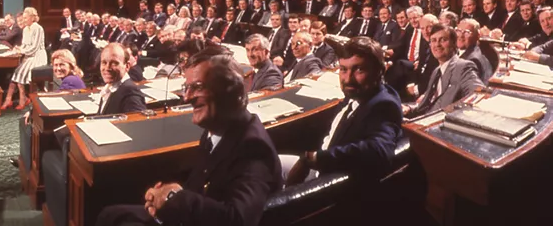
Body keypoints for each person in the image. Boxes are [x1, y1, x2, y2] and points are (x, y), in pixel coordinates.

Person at [95, 50, 282, 226]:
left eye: (197, 87)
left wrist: (174, 198)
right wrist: (164, 191)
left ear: (231, 91)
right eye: (187, 87)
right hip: (192, 215)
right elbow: (203, 176)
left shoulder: (252, 148)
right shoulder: (216, 128)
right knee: (110, 214)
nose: (187, 97)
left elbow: (237, 219)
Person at [279, 37, 402, 200]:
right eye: (343, 69)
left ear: (380, 71)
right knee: (264, 161)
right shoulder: (359, 92)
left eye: (359, 70)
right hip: (323, 162)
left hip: (326, 181)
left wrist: (313, 158)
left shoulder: (383, 105)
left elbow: (379, 150)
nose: (348, 79)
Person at [403, 24, 484, 117]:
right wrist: (409, 108)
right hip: (423, 119)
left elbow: (478, 95)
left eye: (443, 40)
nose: (437, 44)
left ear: (454, 43)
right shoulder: (436, 71)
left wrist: (452, 113)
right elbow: (426, 105)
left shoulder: (463, 67)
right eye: (433, 40)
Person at [2, 8, 47, 109]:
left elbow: (35, 47)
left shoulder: (38, 28)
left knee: (20, 72)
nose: (24, 20)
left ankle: (21, 99)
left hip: (38, 56)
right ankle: (9, 99)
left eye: (26, 18)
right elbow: (25, 45)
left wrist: (21, 51)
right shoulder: (26, 29)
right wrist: (18, 48)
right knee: (17, 72)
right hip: (28, 55)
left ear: (32, 18)